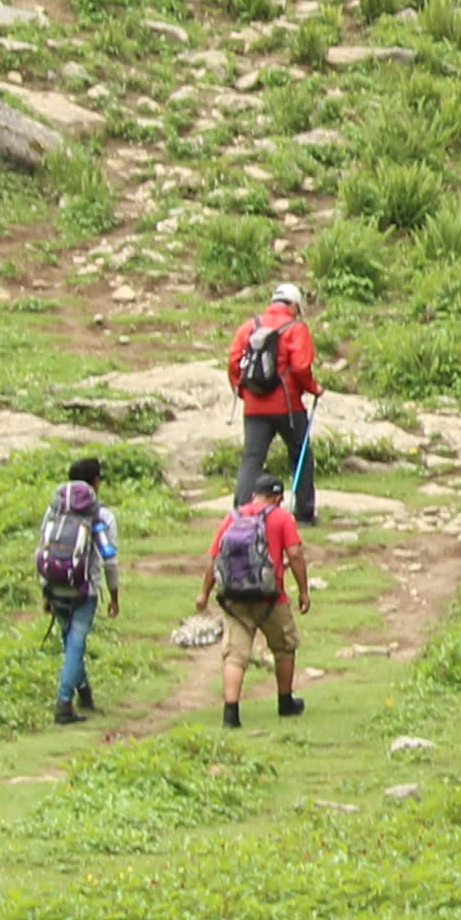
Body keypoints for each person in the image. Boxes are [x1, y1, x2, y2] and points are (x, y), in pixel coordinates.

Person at [204, 483, 309, 727]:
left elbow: (214, 558)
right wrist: (304, 590)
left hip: (234, 598)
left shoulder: (232, 517)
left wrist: (204, 593)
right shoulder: (283, 517)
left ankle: (231, 713)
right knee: (284, 647)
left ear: (254, 495)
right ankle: (285, 702)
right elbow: (294, 554)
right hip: (271, 597)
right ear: (277, 497)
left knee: (235, 655)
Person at [34, 455, 121, 726]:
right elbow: (110, 560)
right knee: (76, 643)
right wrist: (114, 596)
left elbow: (43, 549)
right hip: (86, 589)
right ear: (96, 482)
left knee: (69, 640)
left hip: (56, 586)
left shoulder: (54, 511)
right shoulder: (103, 515)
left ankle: (84, 693)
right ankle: (63, 703)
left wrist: (45, 592)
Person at [228, 281, 319, 519]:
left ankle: (242, 512)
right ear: (294, 305)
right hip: (288, 407)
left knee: (252, 459)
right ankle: (304, 512)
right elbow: (300, 367)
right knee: (301, 456)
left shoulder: (249, 326)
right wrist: (314, 388)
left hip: (255, 406)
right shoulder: (296, 328)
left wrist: (245, 393)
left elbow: (234, 362)